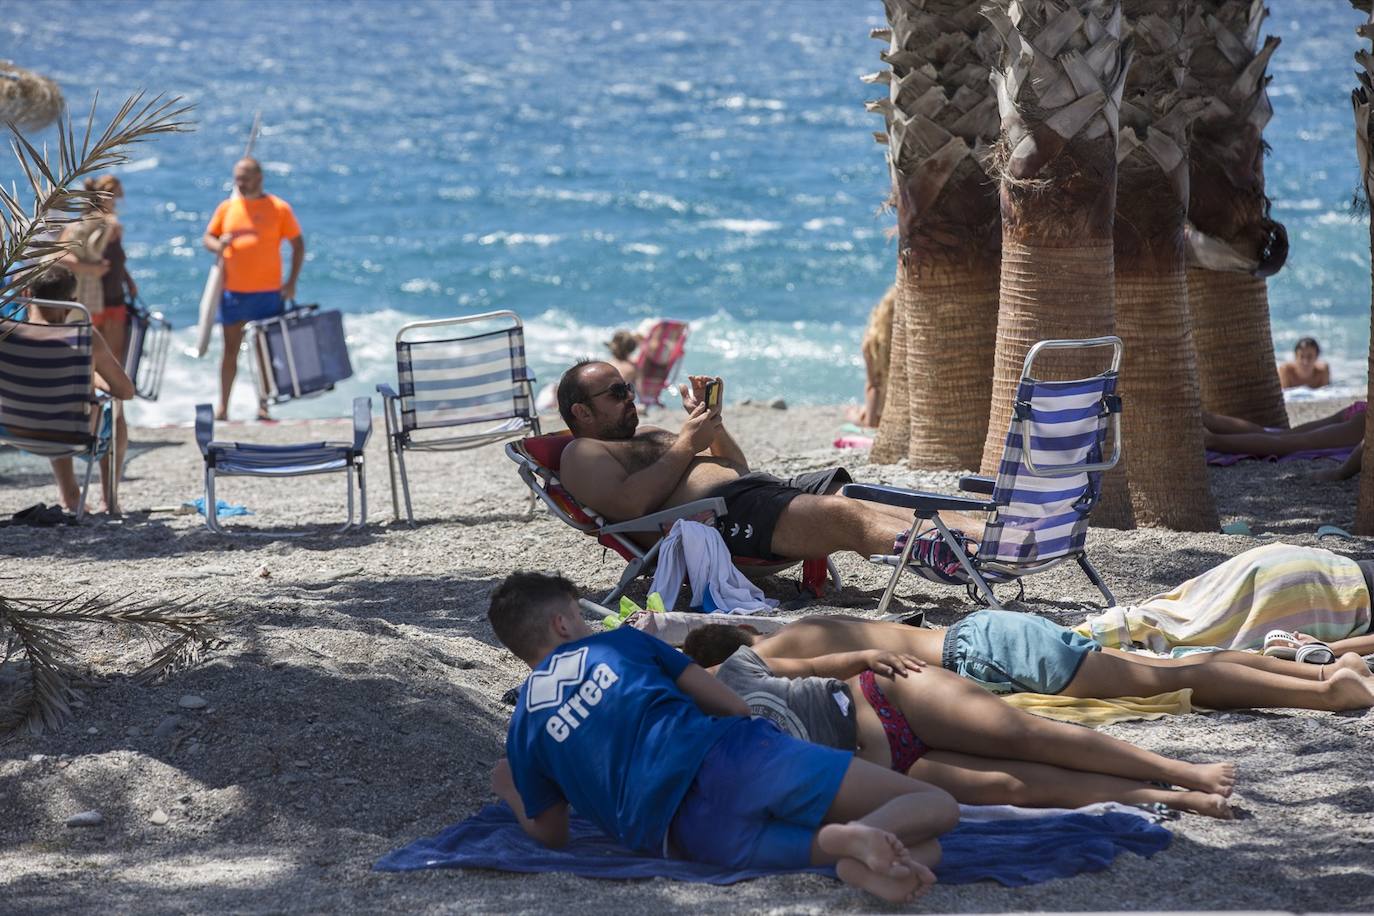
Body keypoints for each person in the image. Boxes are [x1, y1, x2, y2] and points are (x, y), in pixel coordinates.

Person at [487, 572, 957, 903]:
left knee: (922, 851)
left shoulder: (524, 728)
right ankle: (855, 836)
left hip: (683, 837)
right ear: (563, 623)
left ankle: (847, 855)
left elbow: (551, 835)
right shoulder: (617, 642)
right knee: (936, 809)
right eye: (579, 616)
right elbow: (730, 705)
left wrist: (511, 789)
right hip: (733, 758)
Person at [707, 638, 1236, 819]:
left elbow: (810, 667)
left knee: (1027, 735)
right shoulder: (695, 740)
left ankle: (1182, 770)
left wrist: (866, 654)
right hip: (888, 766)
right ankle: (1169, 799)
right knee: (1013, 787)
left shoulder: (733, 668)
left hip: (888, 698)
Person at [554, 360, 983, 564]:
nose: (629, 398)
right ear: (582, 412)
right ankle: (966, 556)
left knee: (855, 494)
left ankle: (991, 533)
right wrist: (687, 442)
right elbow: (630, 506)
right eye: (615, 393)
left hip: (753, 492)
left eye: (627, 387)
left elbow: (735, 463)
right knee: (845, 514)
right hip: (719, 521)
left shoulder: (647, 435)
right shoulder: (582, 453)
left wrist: (709, 423)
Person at [683, 589, 1374, 715]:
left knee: (1169, 681)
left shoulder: (772, 653)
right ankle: (1314, 671)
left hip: (983, 657)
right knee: (1166, 669)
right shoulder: (816, 620)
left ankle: (1323, 692)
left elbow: (809, 678)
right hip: (989, 631)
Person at [22, 266, 134, 515]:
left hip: (15, 429)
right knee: (114, 408)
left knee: (49, 401)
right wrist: (95, 378)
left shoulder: (8, 333)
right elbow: (125, 390)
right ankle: (110, 500)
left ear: (28, 293)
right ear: (72, 302)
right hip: (71, 433)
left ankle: (70, 494)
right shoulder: (83, 336)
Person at [201, 157, 305, 422]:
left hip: (268, 293)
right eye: (237, 178)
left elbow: (298, 245)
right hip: (233, 292)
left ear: (259, 177)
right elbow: (208, 238)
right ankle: (223, 407)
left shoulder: (278, 208)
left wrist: (291, 282)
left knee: (263, 352)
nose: (240, 183)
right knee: (230, 350)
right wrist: (218, 246)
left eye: (244, 178)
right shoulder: (227, 208)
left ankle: (263, 405)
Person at [1203, 404, 1364, 456]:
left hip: (1362, 408)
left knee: (1281, 436)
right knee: (1288, 443)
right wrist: (1339, 474)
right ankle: (1211, 440)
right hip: (1364, 422)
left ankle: (1203, 418)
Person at [847, 286, 893, 429]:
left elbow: (873, 386)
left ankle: (858, 415)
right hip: (908, 410)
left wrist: (869, 423)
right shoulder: (914, 343)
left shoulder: (872, 343)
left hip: (883, 414)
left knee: (854, 413)